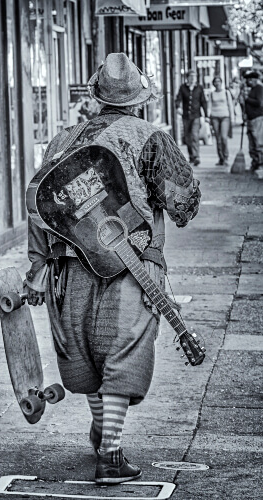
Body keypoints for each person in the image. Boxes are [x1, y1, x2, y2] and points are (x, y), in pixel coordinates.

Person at [25, 53, 201, 485]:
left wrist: (36, 265)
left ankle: (104, 431)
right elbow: (184, 203)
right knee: (125, 351)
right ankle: (111, 454)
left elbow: (39, 209)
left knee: (86, 354)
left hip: (70, 270)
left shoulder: (62, 141)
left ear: (96, 96)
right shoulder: (151, 138)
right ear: (138, 99)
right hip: (131, 266)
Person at [175, 69, 209, 166]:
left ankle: (197, 156)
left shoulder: (199, 88)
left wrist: (206, 115)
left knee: (194, 135)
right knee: (187, 137)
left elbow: (204, 102)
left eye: (195, 76)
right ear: (187, 77)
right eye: (191, 76)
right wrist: (178, 107)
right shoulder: (183, 87)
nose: (193, 78)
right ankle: (191, 156)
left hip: (196, 116)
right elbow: (178, 99)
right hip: (185, 116)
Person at [239, 70, 263, 175]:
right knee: (252, 143)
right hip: (250, 118)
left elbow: (259, 102)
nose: (248, 81)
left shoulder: (259, 89)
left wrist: (247, 99)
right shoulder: (252, 89)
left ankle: (260, 162)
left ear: (254, 80)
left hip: (257, 118)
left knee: (258, 141)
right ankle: (255, 162)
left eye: (249, 79)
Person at [208, 75, 234, 167]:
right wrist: (208, 117)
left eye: (219, 81)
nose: (217, 83)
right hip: (214, 117)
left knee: (223, 137)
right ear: (213, 83)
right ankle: (221, 158)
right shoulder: (212, 94)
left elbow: (230, 105)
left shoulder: (226, 92)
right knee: (218, 139)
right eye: (215, 81)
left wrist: (232, 118)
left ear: (221, 83)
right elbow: (209, 106)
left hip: (225, 117)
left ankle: (226, 157)